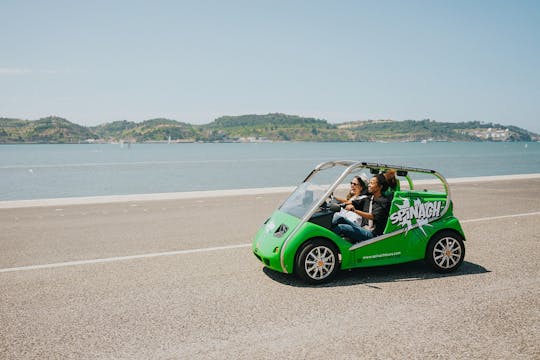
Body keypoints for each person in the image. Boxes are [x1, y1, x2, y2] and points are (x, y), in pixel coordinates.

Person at [332, 173, 391, 243]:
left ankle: (327, 242)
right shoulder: (368, 199)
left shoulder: (384, 202)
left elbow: (373, 216)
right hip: (363, 229)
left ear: (380, 186)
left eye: (372, 183)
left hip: (372, 234)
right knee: (338, 218)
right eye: (369, 183)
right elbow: (351, 202)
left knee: (341, 227)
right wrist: (339, 203)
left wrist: (354, 210)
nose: (369, 185)